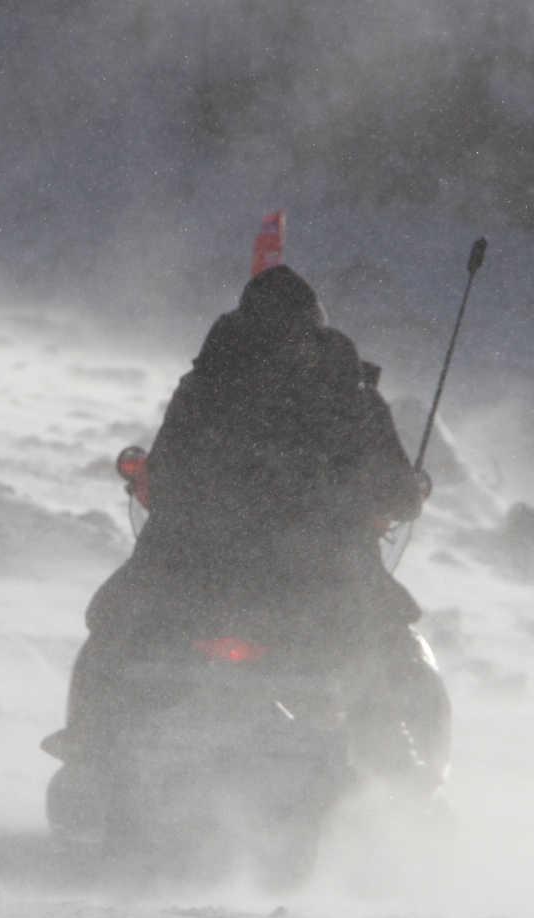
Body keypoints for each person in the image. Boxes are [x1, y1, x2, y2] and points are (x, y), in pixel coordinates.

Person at [47, 264, 430, 761]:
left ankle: (89, 741)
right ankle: (391, 754)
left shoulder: (206, 385)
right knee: (380, 637)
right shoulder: (347, 397)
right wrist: (392, 497)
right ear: (315, 331)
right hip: (316, 574)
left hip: (196, 569)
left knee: (115, 620)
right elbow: (399, 494)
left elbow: (162, 475)